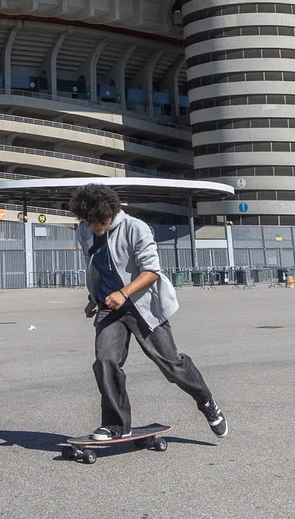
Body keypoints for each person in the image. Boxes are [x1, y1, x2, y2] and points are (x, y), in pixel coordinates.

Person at [68, 184, 227, 442]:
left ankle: (206, 401)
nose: (93, 227)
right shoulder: (84, 232)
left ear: (109, 213)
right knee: (105, 360)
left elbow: (152, 271)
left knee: (171, 366)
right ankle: (115, 425)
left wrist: (124, 292)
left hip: (143, 308)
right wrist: (93, 297)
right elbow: (94, 265)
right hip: (110, 308)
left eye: (98, 222)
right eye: (87, 222)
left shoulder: (135, 228)